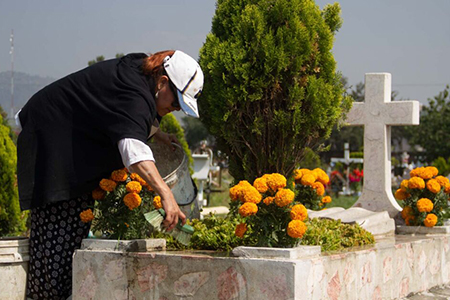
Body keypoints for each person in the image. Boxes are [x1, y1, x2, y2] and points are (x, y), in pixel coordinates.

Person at [16, 50, 204, 300]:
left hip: (62, 141)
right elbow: (133, 152)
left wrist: (157, 134)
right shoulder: (135, 93)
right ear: (163, 82)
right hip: (52, 143)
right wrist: (166, 193)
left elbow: (120, 112)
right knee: (57, 245)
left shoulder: (141, 72)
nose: (176, 109)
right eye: (177, 102)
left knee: (68, 238)